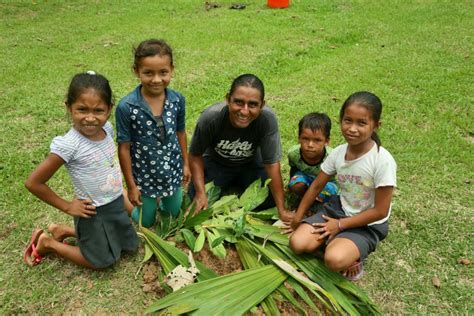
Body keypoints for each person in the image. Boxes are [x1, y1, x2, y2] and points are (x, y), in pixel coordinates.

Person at [24, 71, 138, 269]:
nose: (90, 118)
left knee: (129, 245)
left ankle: (63, 230)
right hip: (91, 212)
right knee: (101, 261)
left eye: (99, 111)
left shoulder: (108, 130)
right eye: (82, 110)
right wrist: (67, 206)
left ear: (109, 109)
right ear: (68, 107)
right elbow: (33, 182)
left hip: (115, 203)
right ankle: (48, 243)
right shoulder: (69, 145)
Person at [288, 91, 397, 281]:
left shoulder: (382, 161)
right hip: (339, 209)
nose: (352, 128)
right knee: (297, 243)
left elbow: (380, 211)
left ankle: (351, 253)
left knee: (334, 260)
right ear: (340, 121)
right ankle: (335, 241)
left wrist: (339, 225)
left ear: (376, 125)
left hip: (367, 223)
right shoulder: (338, 153)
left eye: (361, 123)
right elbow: (315, 186)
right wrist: (298, 217)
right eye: (348, 121)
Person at [189, 73, 293, 222]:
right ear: (228, 99)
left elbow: (271, 164)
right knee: (198, 203)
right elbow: (195, 154)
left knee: (270, 200)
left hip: (250, 164)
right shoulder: (211, 117)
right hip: (217, 163)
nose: (244, 111)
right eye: (238, 102)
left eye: (252, 104)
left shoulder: (267, 120)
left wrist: (281, 209)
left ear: (262, 105)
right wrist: (200, 193)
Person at [116, 39, 190, 228]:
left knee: (173, 216)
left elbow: (180, 132)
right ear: (136, 71)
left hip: (171, 170)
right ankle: (122, 194)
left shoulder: (177, 100)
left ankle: (162, 200)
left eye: (163, 72)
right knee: (145, 222)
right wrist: (132, 186)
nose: (156, 80)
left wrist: (185, 164)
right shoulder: (127, 107)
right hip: (143, 175)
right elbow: (124, 148)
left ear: (171, 69)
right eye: (148, 73)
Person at [287, 112, 338, 207]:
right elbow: (293, 170)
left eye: (317, 140)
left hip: (326, 182)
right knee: (296, 184)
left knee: (328, 192)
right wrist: (292, 186)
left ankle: (313, 205)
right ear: (299, 138)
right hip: (305, 178)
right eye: (305, 139)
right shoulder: (293, 154)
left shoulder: (333, 157)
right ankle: (303, 198)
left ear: (326, 141)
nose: (310, 145)